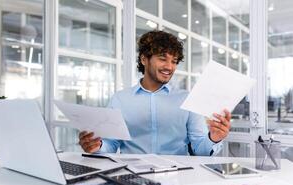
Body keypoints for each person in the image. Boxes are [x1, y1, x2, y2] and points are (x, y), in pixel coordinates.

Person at [79, 30, 231, 156]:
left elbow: (200, 149)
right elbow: (111, 144)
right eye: (162, 59)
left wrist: (213, 139)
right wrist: (97, 146)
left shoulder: (186, 99)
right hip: (133, 175)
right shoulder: (120, 99)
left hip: (178, 174)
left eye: (174, 61)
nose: (169, 67)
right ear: (144, 59)